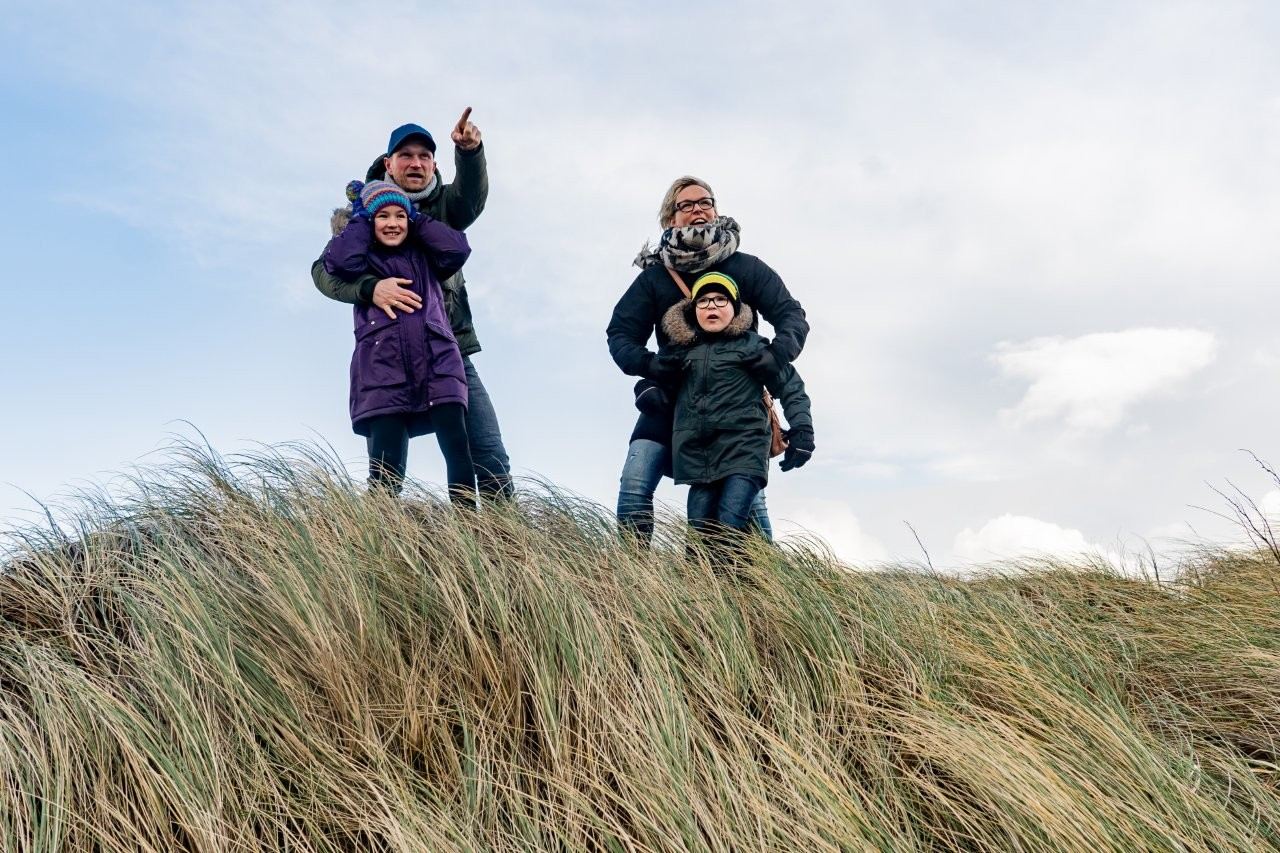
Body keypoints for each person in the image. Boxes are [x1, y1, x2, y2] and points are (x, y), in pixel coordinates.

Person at [312, 111, 514, 499]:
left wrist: (470, 153)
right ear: (388, 163)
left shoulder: (443, 208)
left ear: (434, 164)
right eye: (406, 155)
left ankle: (498, 534)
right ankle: (379, 536)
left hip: (446, 349)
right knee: (386, 472)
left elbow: (470, 202)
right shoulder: (361, 216)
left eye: (424, 156)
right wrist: (370, 288)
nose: (416, 163)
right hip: (386, 356)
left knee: (488, 453)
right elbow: (324, 272)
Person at [606, 176, 812, 543]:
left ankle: (764, 576)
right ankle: (632, 571)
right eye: (685, 205)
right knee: (634, 484)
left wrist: (775, 355)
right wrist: (650, 367)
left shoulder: (746, 268)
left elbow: (791, 316)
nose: (697, 209)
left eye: (705, 202)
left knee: (748, 505)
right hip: (672, 400)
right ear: (670, 219)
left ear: (715, 210)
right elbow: (620, 334)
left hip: (736, 407)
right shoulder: (655, 279)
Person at [323, 179, 476, 506]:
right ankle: (380, 527)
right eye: (382, 216)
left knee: (457, 449)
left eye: (400, 216)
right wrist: (361, 219)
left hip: (439, 362)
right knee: (386, 465)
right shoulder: (362, 259)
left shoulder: (426, 253)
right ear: (368, 220)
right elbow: (337, 262)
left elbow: (457, 249)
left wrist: (416, 218)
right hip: (383, 368)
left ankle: (469, 524)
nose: (392, 223)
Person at [662, 273, 813, 554]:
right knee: (697, 542)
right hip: (698, 456)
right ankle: (739, 578)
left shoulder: (753, 346)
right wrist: (647, 388)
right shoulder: (680, 352)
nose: (712, 306)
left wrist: (803, 430)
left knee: (729, 526)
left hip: (744, 450)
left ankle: (744, 579)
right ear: (694, 310)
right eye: (704, 301)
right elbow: (655, 380)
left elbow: (791, 387)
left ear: (735, 308)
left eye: (721, 299)